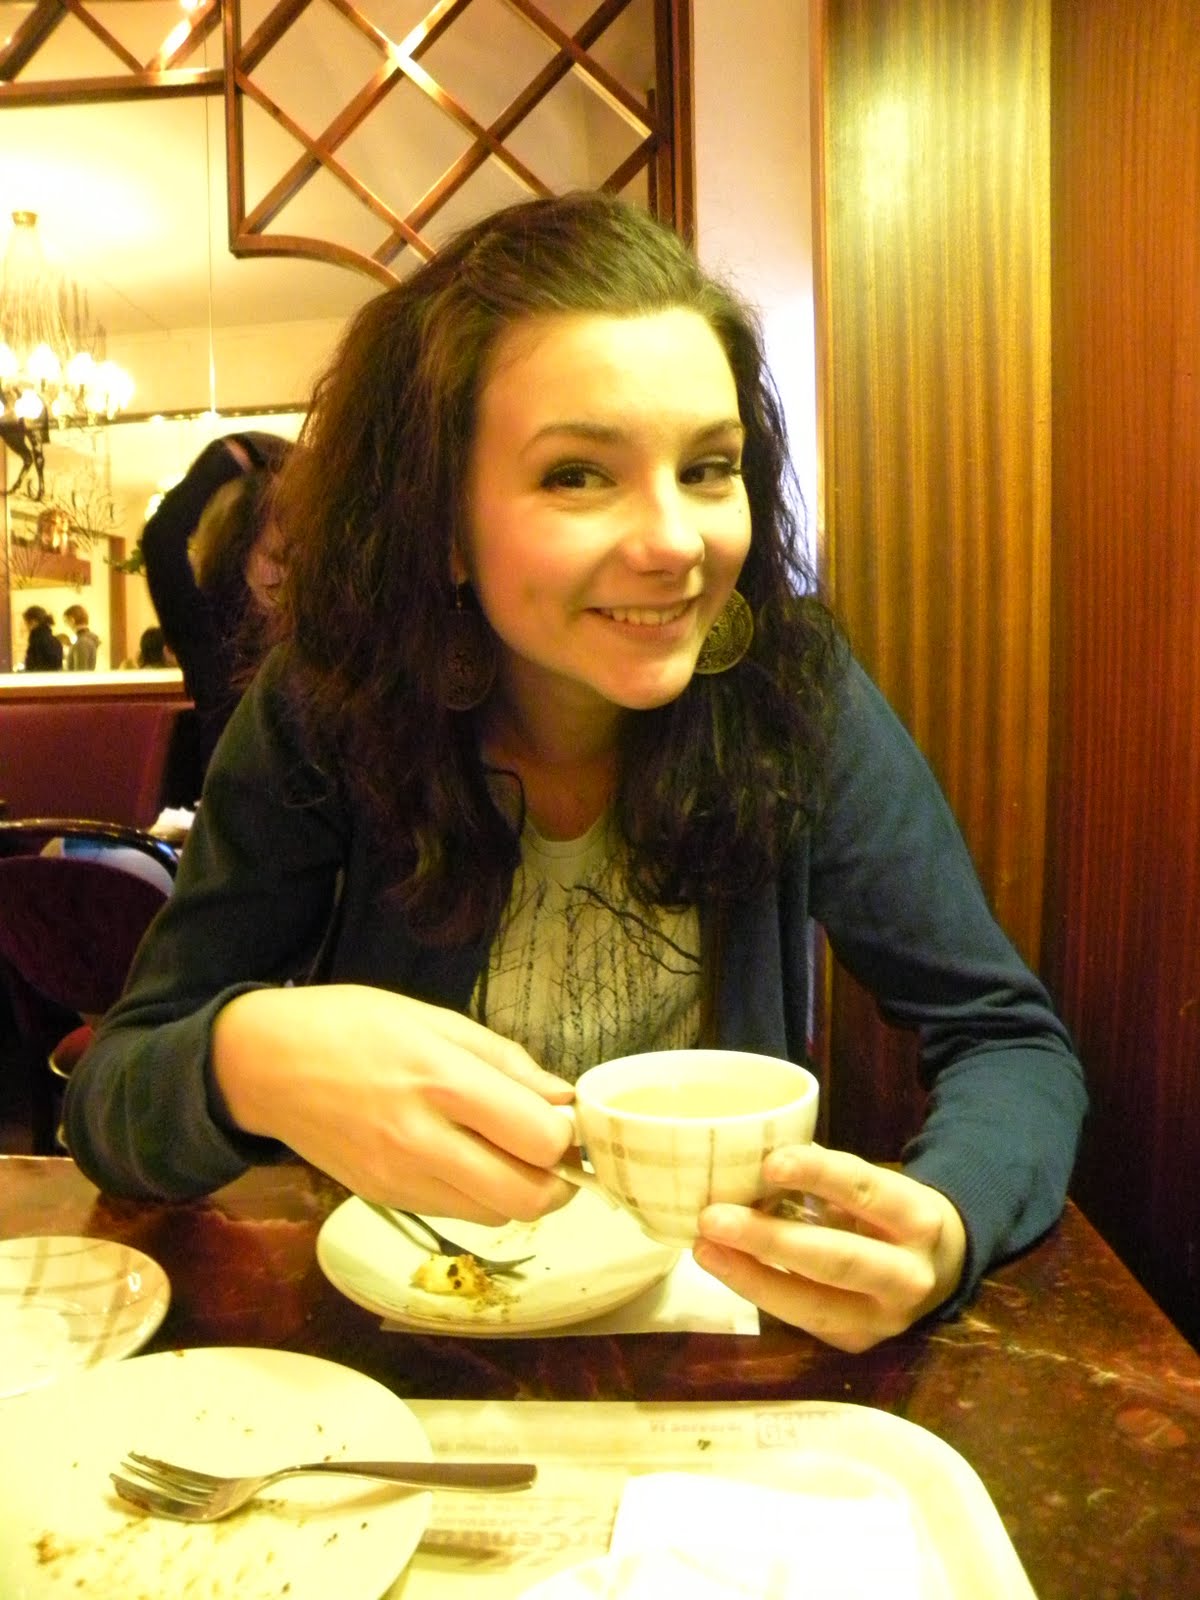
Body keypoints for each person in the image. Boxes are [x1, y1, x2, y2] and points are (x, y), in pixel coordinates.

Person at [63, 192, 1086, 1353]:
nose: (675, 541)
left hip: (714, 1338)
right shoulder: (327, 708)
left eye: (708, 468)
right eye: (578, 476)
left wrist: (946, 1221)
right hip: (408, 1337)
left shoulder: (792, 693)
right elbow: (112, 1100)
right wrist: (244, 1054)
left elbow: (1009, 1041)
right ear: (443, 524)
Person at [139, 430, 291, 796]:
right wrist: (238, 454)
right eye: (274, 557)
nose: (285, 574)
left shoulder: (309, 632)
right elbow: (162, 537)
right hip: (237, 813)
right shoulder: (207, 631)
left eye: (292, 559)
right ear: (236, 553)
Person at [21, 605, 63, 671]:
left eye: (26, 622)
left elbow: (34, 667)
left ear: (33, 622)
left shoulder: (37, 641)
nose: (25, 626)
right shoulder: (55, 641)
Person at [63, 603, 100, 670]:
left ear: (72, 620)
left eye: (66, 621)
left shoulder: (82, 642)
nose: (66, 625)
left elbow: (80, 671)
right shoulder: (88, 639)